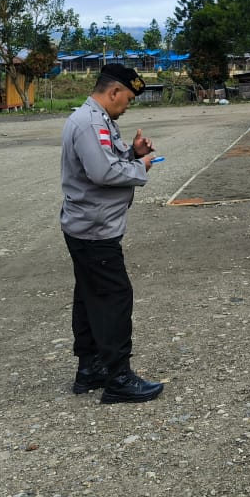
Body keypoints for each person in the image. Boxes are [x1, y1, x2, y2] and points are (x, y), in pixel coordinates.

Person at [60, 63, 163, 404]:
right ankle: (118, 377)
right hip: (94, 228)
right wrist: (140, 166)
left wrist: (131, 152)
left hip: (88, 224)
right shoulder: (90, 122)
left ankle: (90, 369)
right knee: (115, 299)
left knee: (90, 298)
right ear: (114, 91)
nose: (128, 105)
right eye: (128, 98)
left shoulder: (98, 119)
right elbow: (103, 171)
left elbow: (104, 158)